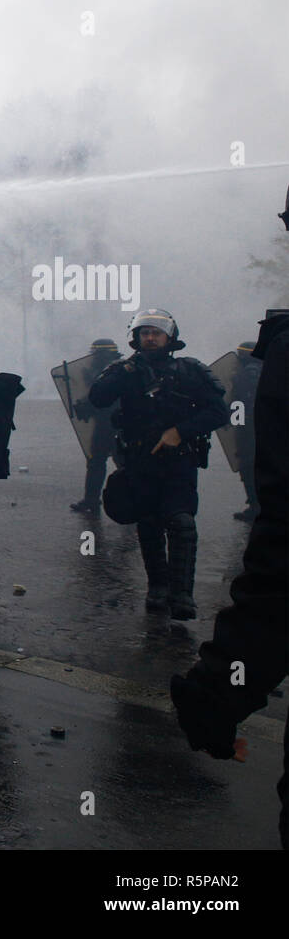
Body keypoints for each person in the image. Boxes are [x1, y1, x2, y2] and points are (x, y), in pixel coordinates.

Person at [171, 309, 289, 849]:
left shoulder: (195, 371)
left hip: (175, 470)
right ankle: (164, 592)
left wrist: (221, 685)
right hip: (144, 464)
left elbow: (281, 562)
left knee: (179, 525)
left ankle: (175, 594)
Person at [88, 309, 226, 620]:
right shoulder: (125, 370)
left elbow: (219, 412)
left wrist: (180, 431)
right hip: (139, 460)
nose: (150, 337)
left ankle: (182, 596)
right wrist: (121, 372)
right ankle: (158, 589)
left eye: (156, 332)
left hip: (180, 461)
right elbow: (97, 398)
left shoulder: (190, 370)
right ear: (135, 337)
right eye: (144, 332)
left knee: (181, 523)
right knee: (149, 523)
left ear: (170, 336)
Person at [69, 338, 121, 515]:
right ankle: (91, 500)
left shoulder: (116, 371)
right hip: (105, 424)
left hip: (117, 425)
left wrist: (86, 405)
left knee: (120, 463)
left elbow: (104, 397)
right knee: (97, 462)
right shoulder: (101, 371)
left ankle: (134, 499)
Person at [231, 341, 262, 521]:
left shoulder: (250, 372)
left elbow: (243, 402)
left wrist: (235, 419)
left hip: (249, 429)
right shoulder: (265, 369)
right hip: (257, 427)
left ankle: (256, 506)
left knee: (249, 467)